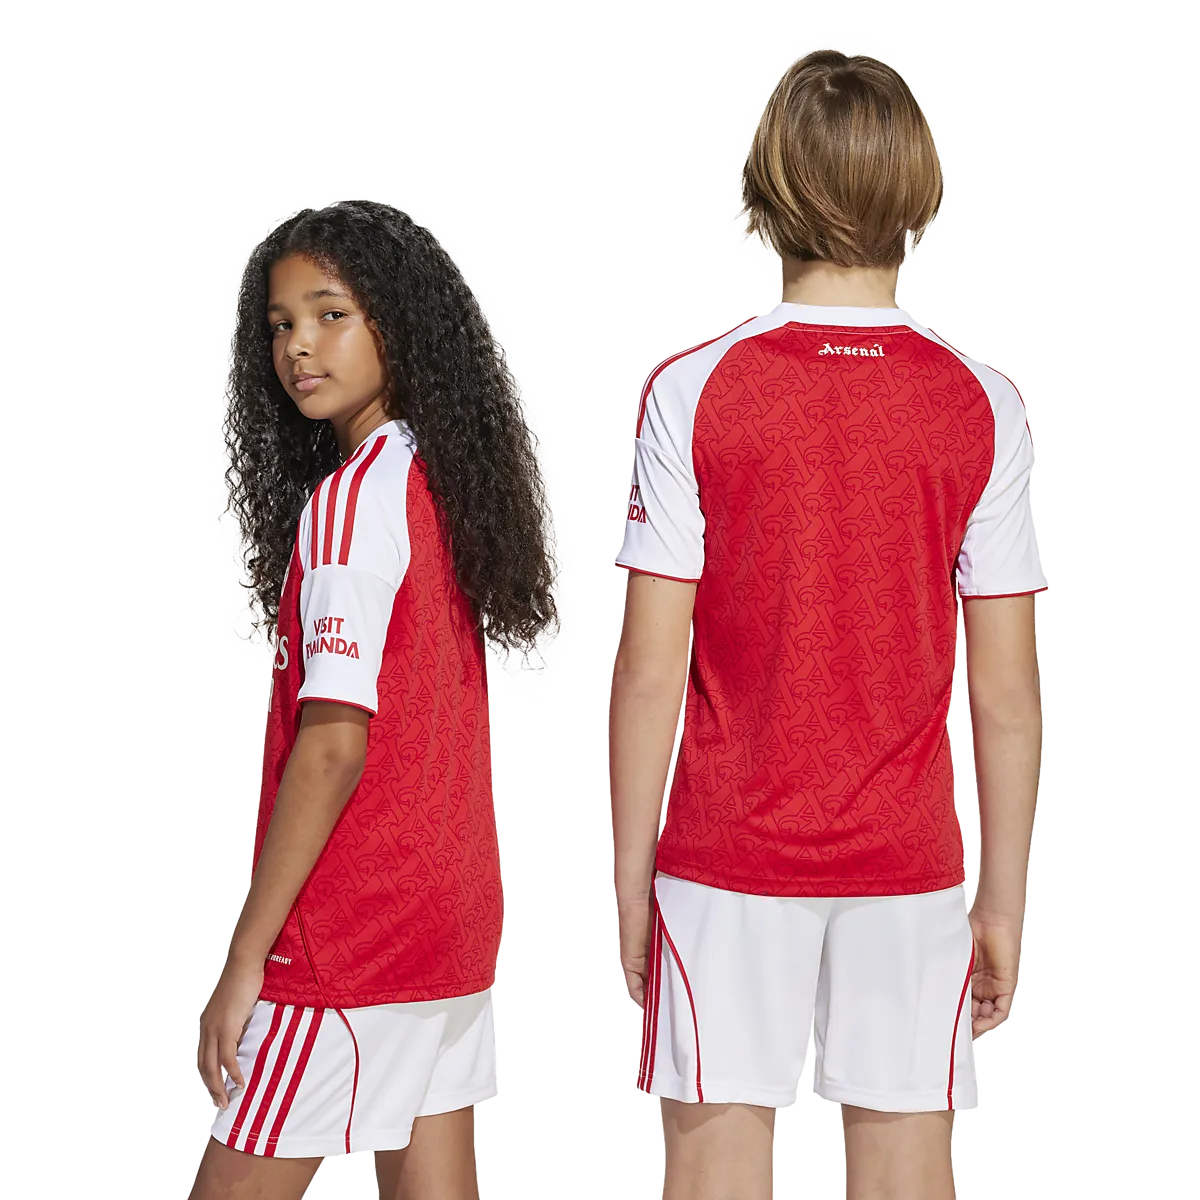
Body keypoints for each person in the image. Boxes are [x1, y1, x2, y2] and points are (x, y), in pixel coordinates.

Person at [610, 49, 1047, 1200]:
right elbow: (1007, 695)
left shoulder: (692, 389)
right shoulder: (980, 403)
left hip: (722, 863)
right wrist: (1002, 902)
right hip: (909, 868)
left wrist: (631, 885)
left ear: (768, 190)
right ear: (917, 191)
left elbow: (647, 670)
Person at [193, 200, 559, 1200]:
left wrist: (246, 960)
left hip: (350, 932)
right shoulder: (433, 481)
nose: (298, 347)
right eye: (280, 323)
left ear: (398, 321)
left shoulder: (352, 503)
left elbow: (333, 745)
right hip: (448, 914)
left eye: (330, 314)